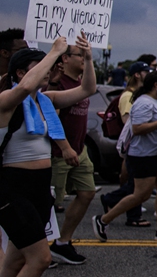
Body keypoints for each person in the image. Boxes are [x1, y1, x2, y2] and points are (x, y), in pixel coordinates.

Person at [0, 37, 77, 277]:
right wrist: (54, 52)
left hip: (40, 187)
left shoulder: (44, 101)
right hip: (12, 186)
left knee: (15, 262)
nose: (47, 69)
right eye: (40, 65)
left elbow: (87, 90)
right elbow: (23, 88)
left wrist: (89, 57)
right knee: (41, 259)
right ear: (20, 72)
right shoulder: (5, 100)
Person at [95, 69, 157, 238]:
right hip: (143, 154)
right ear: (156, 85)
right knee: (141, 194)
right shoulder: (144, 103)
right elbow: (138, 128)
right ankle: (103, 219)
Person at [45, 39, 99, 265]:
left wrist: (88, 57)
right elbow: (51, 120)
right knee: (46, 206)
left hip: (79, 150)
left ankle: (62, 243)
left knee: (86, 193)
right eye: (79, 55)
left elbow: (91, 87)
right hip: (59, 154)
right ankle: (36, 251)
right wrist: (65, 147)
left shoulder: (80, 82)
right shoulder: (57, 86)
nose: (83, 59)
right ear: (64, 58)